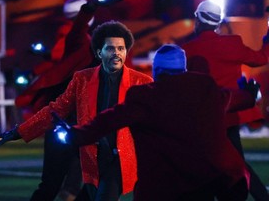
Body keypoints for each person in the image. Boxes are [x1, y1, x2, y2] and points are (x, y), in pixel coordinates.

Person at [51, 44, 260, 201]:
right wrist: (249, 95)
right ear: (183, 69)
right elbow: (234, 98)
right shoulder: (205, 89)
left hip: (165, 187)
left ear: (156, 71)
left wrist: (75, 134)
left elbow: (109, 120)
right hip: (212, 180)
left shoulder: (146, 97)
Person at [0, 20, 153, 201]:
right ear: (98, 52)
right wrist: (20, 131)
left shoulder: (141, 82)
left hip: (117, 158)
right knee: (56, 187)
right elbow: (57, 108)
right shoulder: (82, 79)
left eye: (121, 48)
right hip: (88, 151)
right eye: (110, 48)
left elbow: (156, 119)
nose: (116, 53)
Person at [14, 0, 126, 200]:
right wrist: (90, 6)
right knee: (63, 184)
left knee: (88, 182)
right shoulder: (80, 41)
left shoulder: (98, 56)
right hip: (68, 123)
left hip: (81, 125)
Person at [181, 0, 269, 200]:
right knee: (236, 165)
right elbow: (262, 58)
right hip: (230, 116)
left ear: (198, 20)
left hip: (201, 120)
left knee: (205, 167)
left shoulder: (187, 49)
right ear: (217, 23)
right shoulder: (233, 43)